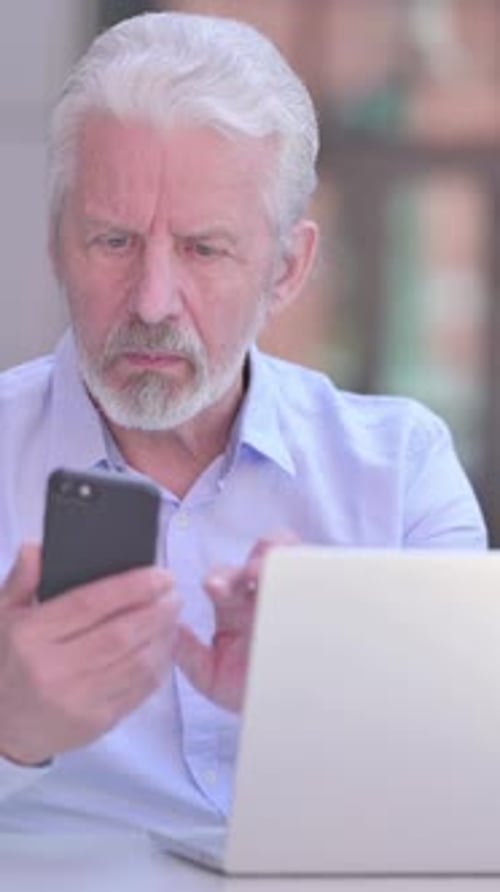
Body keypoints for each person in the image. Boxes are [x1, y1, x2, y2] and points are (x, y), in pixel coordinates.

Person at [0, 10, 486, 835]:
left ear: (287, 267)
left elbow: (477, 799)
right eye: (113, 240)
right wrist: (9, 730)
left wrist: (327, 706)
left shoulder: (401, 471)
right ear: (56, 244)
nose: (152, 303)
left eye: (203, 250)